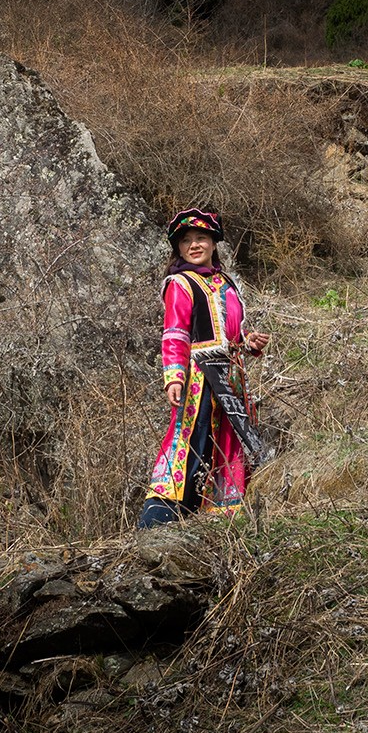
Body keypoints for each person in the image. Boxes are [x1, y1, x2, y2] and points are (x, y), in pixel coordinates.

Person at [137, 208, 271, 529]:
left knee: (228, 442)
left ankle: (219, 518)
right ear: (179, 248)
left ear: (213, 243)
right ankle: (159, 517)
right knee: (191, 440)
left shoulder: (227, 284)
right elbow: (175, 333)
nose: (194, 245)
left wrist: (248, 341)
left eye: (201, 238)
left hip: (230, 378)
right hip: (198, 378)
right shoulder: (180, 284)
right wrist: (174, 376)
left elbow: (231, 333)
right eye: (186, 241)